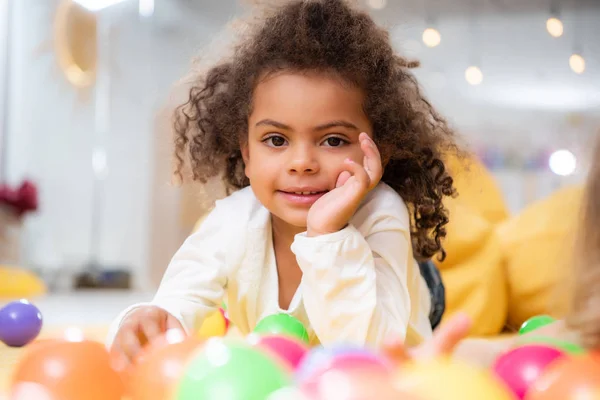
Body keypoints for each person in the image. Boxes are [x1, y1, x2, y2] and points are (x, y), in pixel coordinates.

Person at [107, 0, 462, 363]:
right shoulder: (234, 220)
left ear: (378, 153)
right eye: (276, 140)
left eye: (333, 140)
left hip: (402, 298)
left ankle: (425, 278)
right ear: (247, 153)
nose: (302, 163)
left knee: (423, 288)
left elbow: (375, 350)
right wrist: (150, 320)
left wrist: (328, 234)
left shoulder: (381, 212)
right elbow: (179, 300)